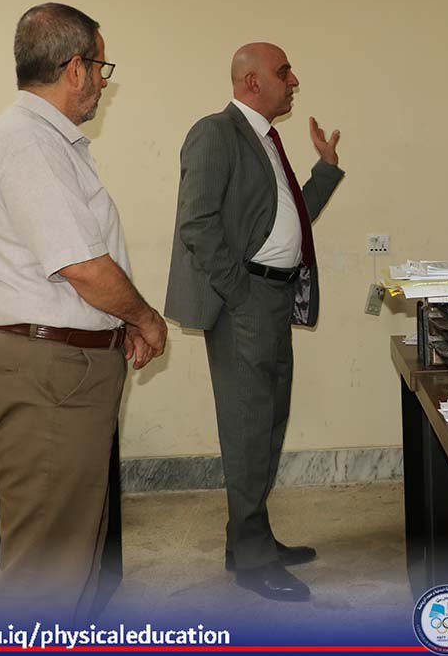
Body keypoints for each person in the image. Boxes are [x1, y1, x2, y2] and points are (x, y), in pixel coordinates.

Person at [0, 2, 168, 622]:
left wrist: (119, 323)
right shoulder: (26, 142)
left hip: (62, 369)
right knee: (44, 576)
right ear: (75, 68)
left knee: (71, 563)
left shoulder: (47, 141)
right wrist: (144, 318)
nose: (104, 83)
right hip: (48, 372)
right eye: (101, 68)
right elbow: (82, 265)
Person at [164, 42, 344, 602]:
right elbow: (196, 222)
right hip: (246, 300)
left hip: (272, 298)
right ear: (251, 82)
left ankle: (248, 539)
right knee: (248, 428)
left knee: (265, 424)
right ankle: (252, 561)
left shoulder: (266, 139)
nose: (294, 80)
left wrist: (325, 171)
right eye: (283, 71)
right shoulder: (216, 133)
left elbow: (291, 220)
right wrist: (240, 292)